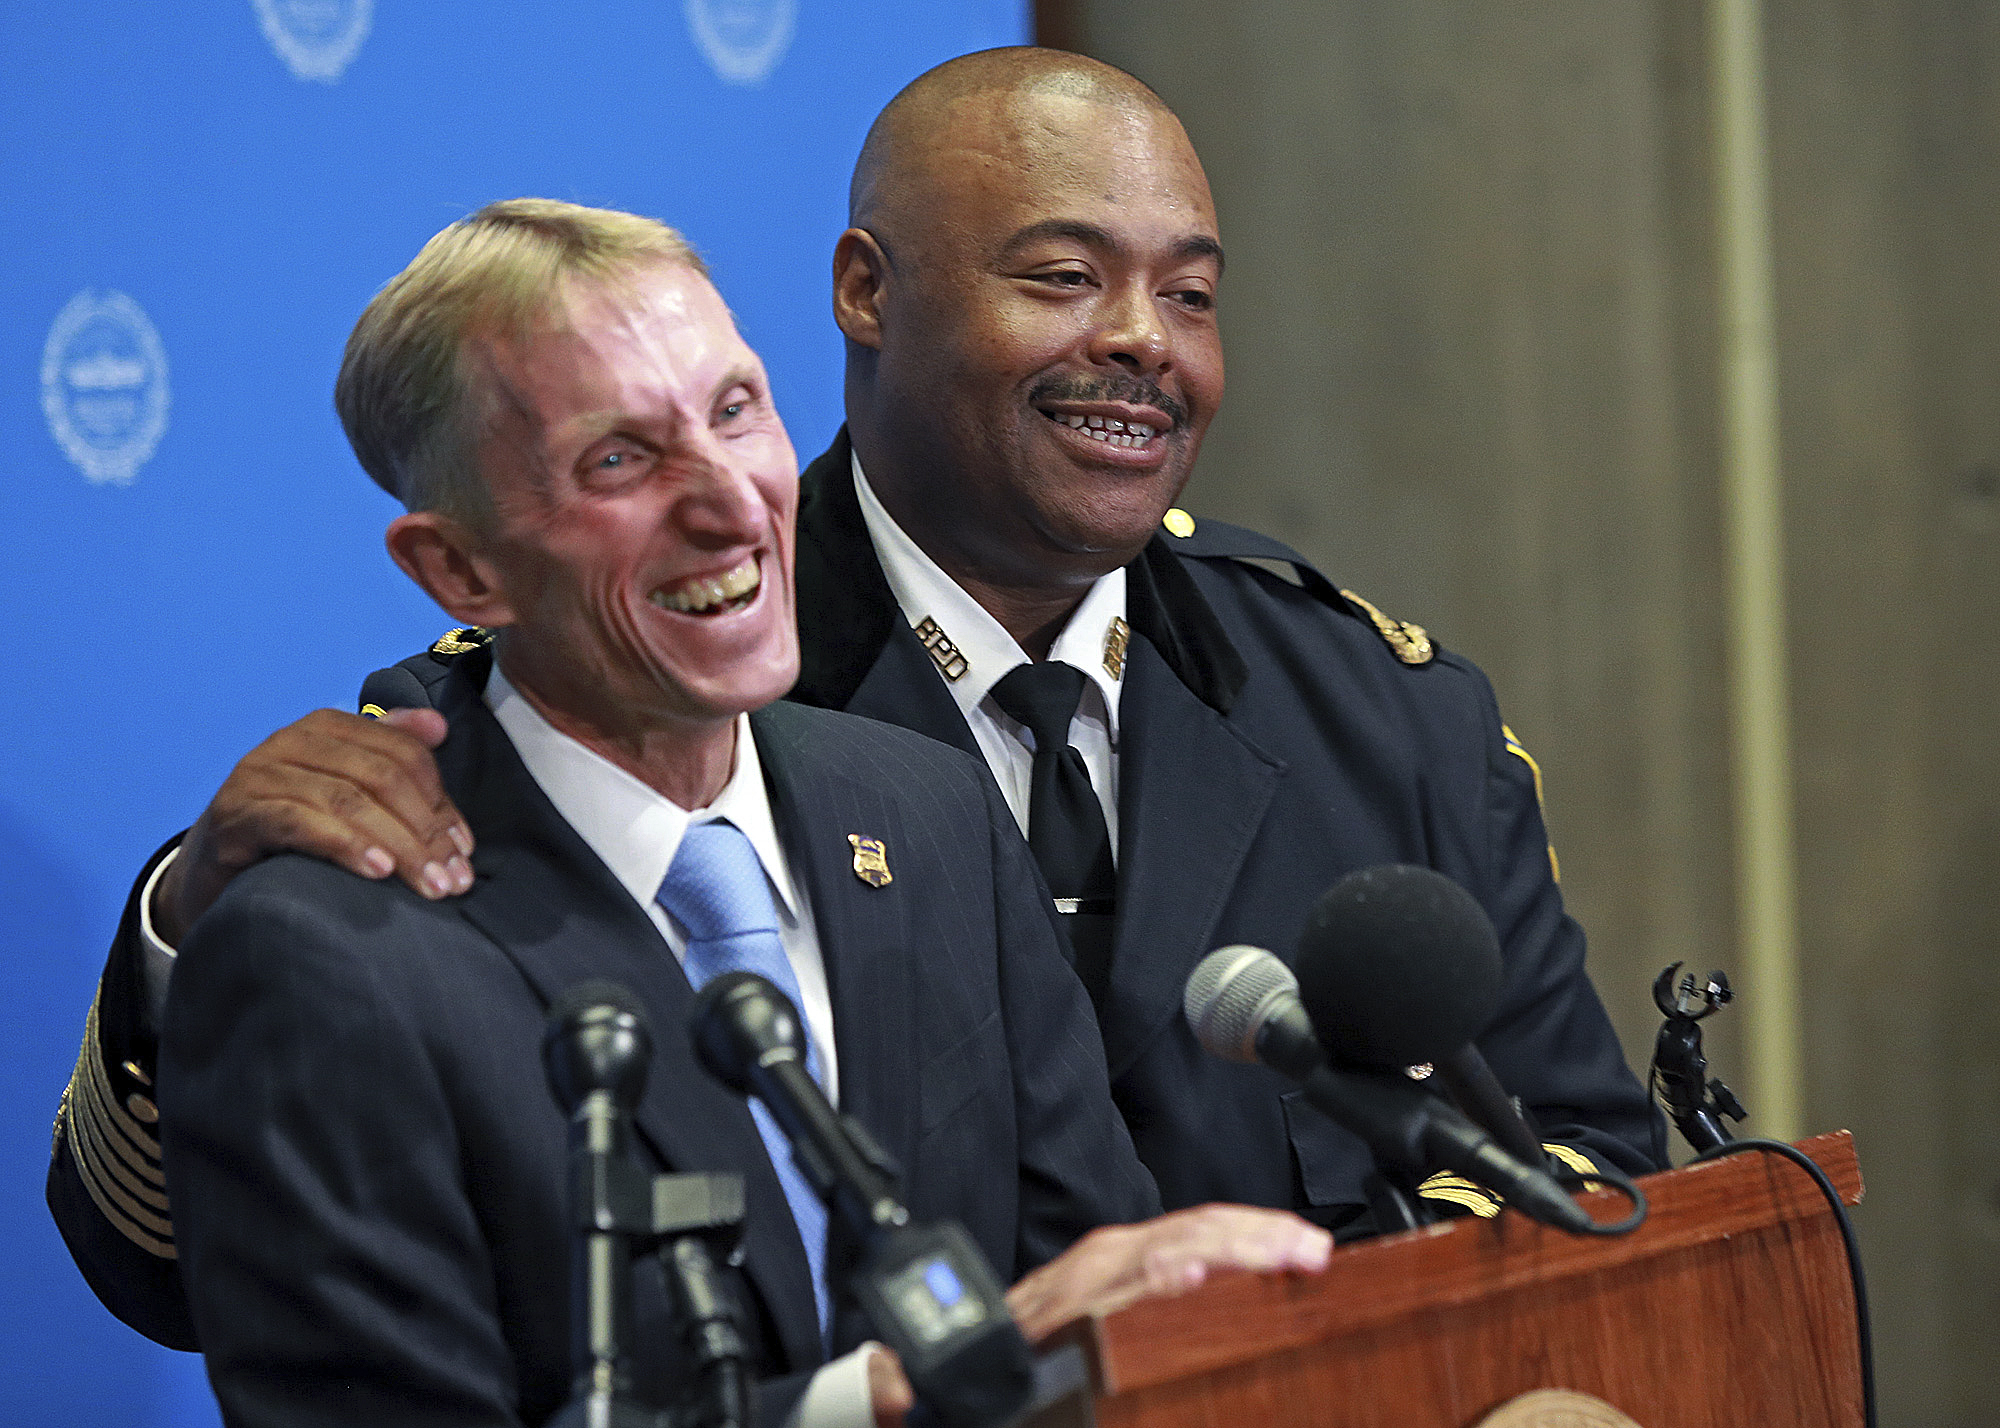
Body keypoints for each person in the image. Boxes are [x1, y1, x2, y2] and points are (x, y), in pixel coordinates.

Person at [51, 47, 1652, 1354]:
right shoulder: (615, 690)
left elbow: (1589, 1180)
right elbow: (195, 1268)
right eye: (1064, 275)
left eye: (1191, 296)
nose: (1138, 346)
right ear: (866, 294)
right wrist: (190, 917)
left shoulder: (1384, 713)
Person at [120, 199, 1328, 1428]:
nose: (730, 502)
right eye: (619, 461)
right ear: (460, 572)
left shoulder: (925, 810)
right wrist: (869, 1406)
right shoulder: (328, 961)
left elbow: (1094, 1290)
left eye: (735, 409)